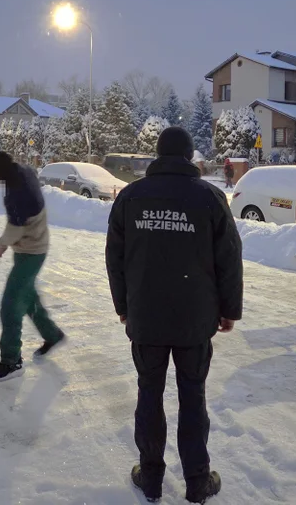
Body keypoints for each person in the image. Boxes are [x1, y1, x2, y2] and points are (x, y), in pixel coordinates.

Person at [107, 127, 243, 504]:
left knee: (148, 393)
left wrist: (124, 306)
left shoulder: (131, 197)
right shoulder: (210, 198)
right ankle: (198, 481)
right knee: (192, 396)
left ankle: (150, 477)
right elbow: (229, 258)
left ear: (157, 154)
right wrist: (229, 310)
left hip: (146, 316)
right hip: (194, 318)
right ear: (189, 157)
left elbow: (114, 258)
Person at [0, 151, 65, 383]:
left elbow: (16, 227)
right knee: (27, 297)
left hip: (31, 251)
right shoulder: (24, 171)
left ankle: (11, 361)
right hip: (35, 245)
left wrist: (1, 243)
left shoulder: (17, 192)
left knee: (10, 305)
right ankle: (52, 334)